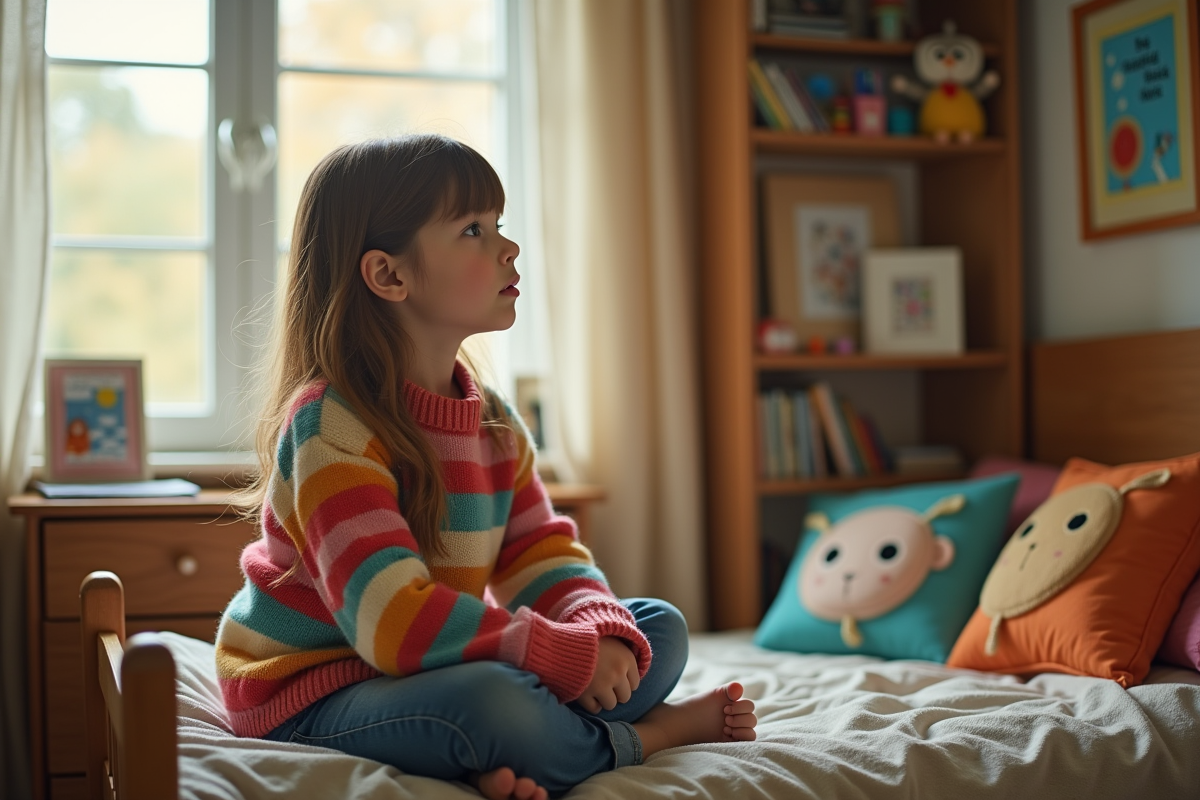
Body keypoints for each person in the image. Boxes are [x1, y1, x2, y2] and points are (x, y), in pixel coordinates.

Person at [215, 133, 757, 800]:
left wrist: (596, 633)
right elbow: (392, 622)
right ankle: (646, 737)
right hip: (316, 690)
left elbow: (542, 554)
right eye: (473, 229)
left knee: (654, 628)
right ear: (389, 275)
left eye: (499, 225)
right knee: (493, 700)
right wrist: (552, 653)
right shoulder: (332, 426)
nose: (509, 247)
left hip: (417, 673)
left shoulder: (492, 422)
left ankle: (509, 753)